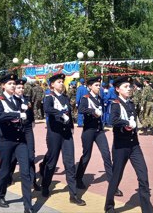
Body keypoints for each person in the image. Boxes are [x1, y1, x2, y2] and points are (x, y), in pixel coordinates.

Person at [104, 76, 153, 213]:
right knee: (116, 177)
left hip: (134, 145)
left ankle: (147, 209)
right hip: (121, 147)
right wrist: (126, 123)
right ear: (117, 89)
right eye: (126, 86)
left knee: (143, 175)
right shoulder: (115, 103)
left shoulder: (131, 103)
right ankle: (109, 206)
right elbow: (112, 120)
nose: (129, 88)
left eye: (130, 86)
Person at [40, 73, 86, 206]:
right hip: (54, 134)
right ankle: (45, 185)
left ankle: (73, 194)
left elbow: (69, 114)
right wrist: (60, 114)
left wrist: (71, 126)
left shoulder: (65, 98)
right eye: (59, 82)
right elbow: (47, 109)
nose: (61, 83)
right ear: (52, 85)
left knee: (70, 163)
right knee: (52, 162)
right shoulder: (49, 97)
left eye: (62, 81)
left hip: (66, 135)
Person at [75, 76, 123, 197]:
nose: (99, 87)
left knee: (106, 155)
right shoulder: (86, 98)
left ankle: (113, 185)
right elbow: (81, 109)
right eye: (96, 85)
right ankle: (78, 178)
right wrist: (92, 111)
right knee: (86, 156)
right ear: (90, 86)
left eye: (99, 85)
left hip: (99, 131)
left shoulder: (100, 98)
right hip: (89, 131)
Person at [0, 73, 34, 213]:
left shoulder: (18, 100)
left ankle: (27, 205)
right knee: (5, 171)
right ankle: (0, 195)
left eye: (14, 84)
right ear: (3, 86)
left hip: (20, 140)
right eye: (10, 84)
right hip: (6, 141)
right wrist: (18, 114)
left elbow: (26, 117)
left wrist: (25, 115)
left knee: (25, 171)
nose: (13, 86)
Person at [10, 78, 40, 191]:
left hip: (27, 128)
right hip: (16, 129)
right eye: (18, 87)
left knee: (31, 155)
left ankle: (33, 181)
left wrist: (32, 121)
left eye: (22, 87)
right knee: (13, 156)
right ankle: (9, 176)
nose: (21, 89)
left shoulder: (26, 99)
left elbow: (30, 112)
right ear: (14, 89)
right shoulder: (11, 100)